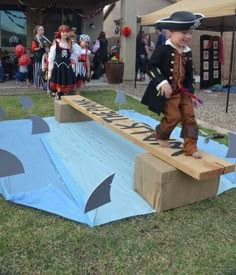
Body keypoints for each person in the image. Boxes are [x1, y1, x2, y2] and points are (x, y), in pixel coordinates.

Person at [141, 11, 204, 159]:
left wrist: (192, 94)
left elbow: (189, 76)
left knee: (190, 117)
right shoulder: (163, 49)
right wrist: (162, 82)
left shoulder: (187, 52)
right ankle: (161, 134)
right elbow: (151, 67)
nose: (188, 36)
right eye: (184, 32)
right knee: (174, 116)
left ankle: (190, 147)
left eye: (190, 33)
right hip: (168, 94)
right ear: (171, 32)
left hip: (183, 92)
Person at [48, 25, 79, 100]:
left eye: (66, 32)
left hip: (67, 66)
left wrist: (72, 59)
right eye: (63, 32)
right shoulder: (56, 42)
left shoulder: (71, 43)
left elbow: (77, 53)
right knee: (59, 82)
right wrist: (50, 69)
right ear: (60, 33)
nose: (64, 33)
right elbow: (51, 56)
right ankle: (58, 95)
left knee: (65, 83)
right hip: (58, 66)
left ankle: (63, 96)